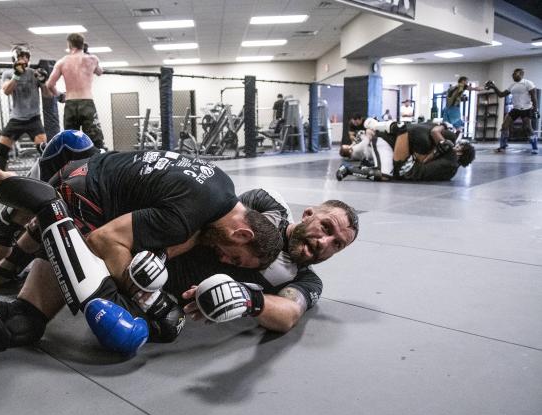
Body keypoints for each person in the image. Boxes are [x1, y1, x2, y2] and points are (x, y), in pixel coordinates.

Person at [0, 133, 284, 366]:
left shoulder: (222, 189)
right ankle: (39, 205)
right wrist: (148, 300)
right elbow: (102, 241)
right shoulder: (190, 215)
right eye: (234, 259)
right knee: (123, 332)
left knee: (22, 324)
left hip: (85, 189)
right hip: (81, 203)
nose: (225, 264)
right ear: (242, 235)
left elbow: (167, 231)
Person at [167, 192, 359, 332]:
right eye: (326, 228)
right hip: (158, 252)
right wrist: (163, 254)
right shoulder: (267, 205)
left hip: (170, 301)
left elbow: (290, 313)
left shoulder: (307, 280)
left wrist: (248, 298)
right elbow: (205, 223)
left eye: (337, 244)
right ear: (307, 214)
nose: (324, 243)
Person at [336, 120, 475, 182]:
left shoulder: (450, 156)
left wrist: (442, 127)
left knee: (385, 174)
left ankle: (351, 169)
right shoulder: (451, 166)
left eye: (459, 147)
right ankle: (398, 127)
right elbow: (434, 136)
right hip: (392, 150)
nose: (456, 147)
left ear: (461, 152)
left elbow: (425, 159)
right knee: (385, 175)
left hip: (406, 166)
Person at [0, 45, 52, 170]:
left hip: (34, 118)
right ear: (15, 59)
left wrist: (43, 83)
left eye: (26, 57)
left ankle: (49, 176)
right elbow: (6, 91)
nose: (24, 60)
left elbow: (47, 95)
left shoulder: (34, 73)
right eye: (21, 57)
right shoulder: (8, 74)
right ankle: (0, 179)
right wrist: (17, 75)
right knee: (1, 150)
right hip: (16, 119)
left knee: (44, 149)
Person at [46, 33, 105, 149]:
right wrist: (88, 55)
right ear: (83, 44)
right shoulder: (92, 59)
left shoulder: (62, 62)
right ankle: (97, 164)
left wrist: (59, 95)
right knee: (95, 139)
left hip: (70, 103)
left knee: (70, 141)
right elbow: (99, 72)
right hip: (87, 103)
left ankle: (72, 166)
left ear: (69, 45)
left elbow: (49, 84)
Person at [485, 68, 538, 155]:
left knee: (528, 128)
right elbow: (501, 95)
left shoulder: (528, 83)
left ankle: (535, 147)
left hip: (526, 109)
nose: (513, 76)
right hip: (515, 109)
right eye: (513, 74)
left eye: (515, 74)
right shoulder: (512, 85)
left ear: (521, 74)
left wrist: (535, 110)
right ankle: (503, 146)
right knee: (504, 126)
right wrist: (493, 87)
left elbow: (534, 97)